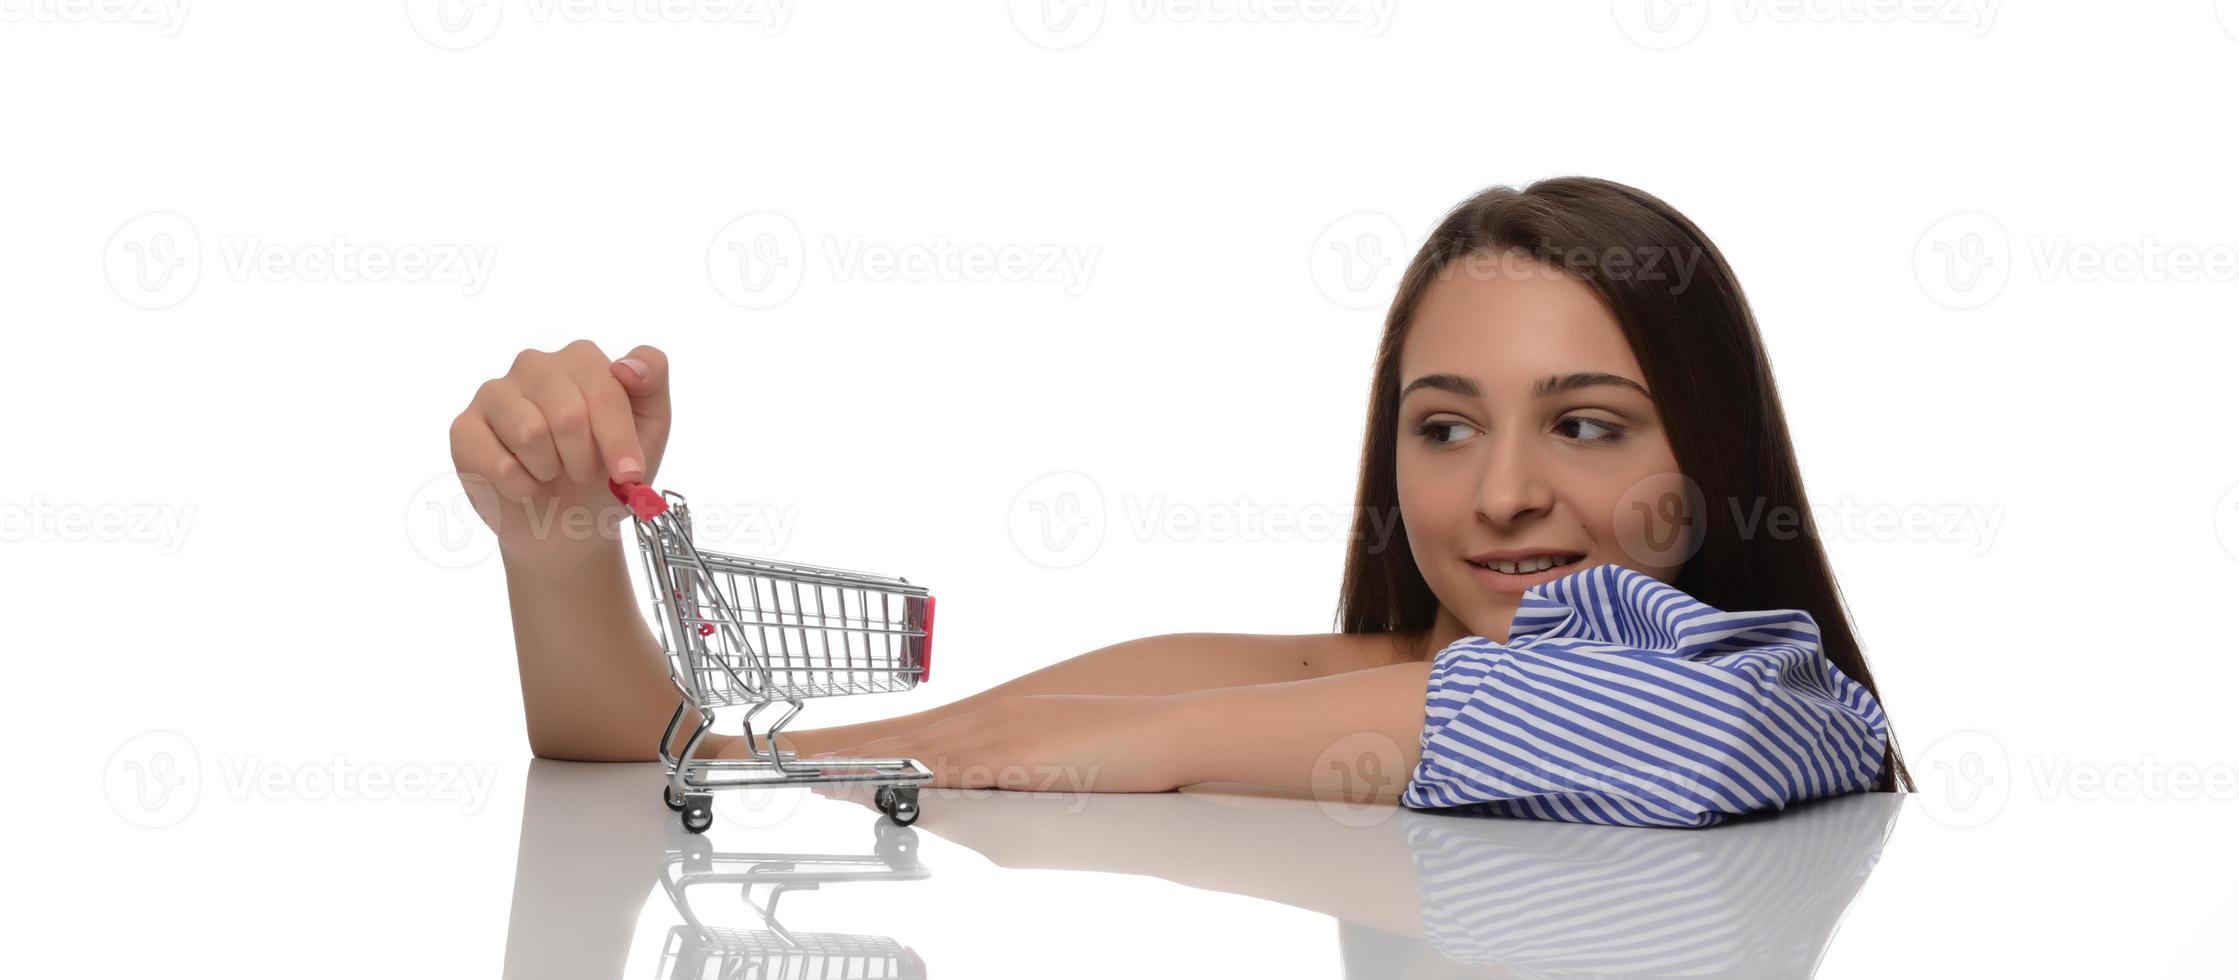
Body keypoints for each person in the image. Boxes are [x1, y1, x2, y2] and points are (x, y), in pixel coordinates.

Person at [447, 176, 1913, 827]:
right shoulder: (1318, 676)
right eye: (1445, 426)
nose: (1507, 493)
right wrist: (560, 536)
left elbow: (1687, 730)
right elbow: (671, 761)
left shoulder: (1778, 695)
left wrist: (1139, 746)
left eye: (1586, 424)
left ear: (1711, 449)